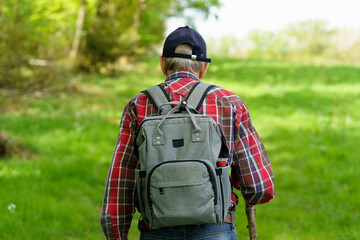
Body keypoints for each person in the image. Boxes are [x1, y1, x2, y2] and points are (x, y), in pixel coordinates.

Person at [101, 26, 275, 240]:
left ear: (162, 63)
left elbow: (121, 178)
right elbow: (259, 187)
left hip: (156, 232)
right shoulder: (230, 103)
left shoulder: (138, 105)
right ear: (204, 67)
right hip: (215, 230)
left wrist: (116, 234)